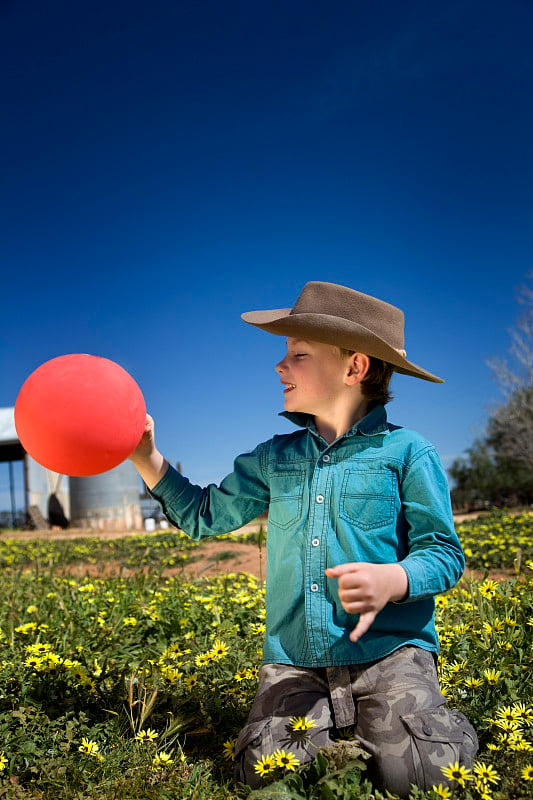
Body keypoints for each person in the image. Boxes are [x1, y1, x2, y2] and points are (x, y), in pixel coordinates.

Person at [129, 281, 478, 797]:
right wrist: (145, 456)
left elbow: (444, 554)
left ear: (354, 367)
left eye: (298, 354)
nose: (280, 366)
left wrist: (396, 577)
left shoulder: (409, 452)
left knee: (422, 779)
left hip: (391, 653)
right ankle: (349, 733)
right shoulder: (274, 456)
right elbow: (205, 515)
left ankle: (431, 723)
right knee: (267, 775)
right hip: (296, 659)